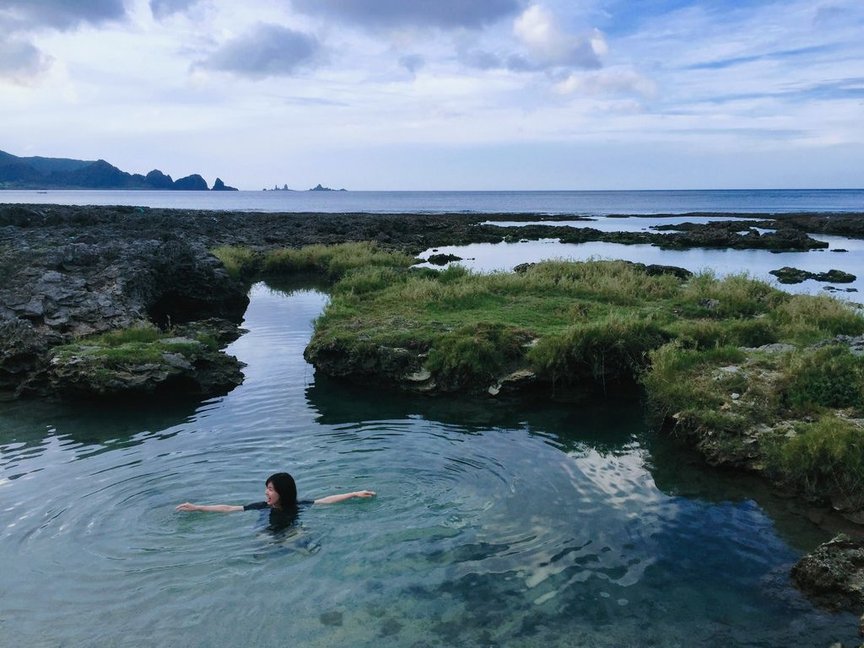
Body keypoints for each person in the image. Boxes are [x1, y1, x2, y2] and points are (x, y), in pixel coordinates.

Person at [175, 472, 375, 514]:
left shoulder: (297, 506)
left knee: (299, 536)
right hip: (271, 533)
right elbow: (228, 508)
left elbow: (327, 500)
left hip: (290, 531)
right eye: (267, 488)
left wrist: (354, 493)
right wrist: (198, 507)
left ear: (282, 492)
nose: (266, 493)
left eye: (270, 489)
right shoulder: (261, 507)